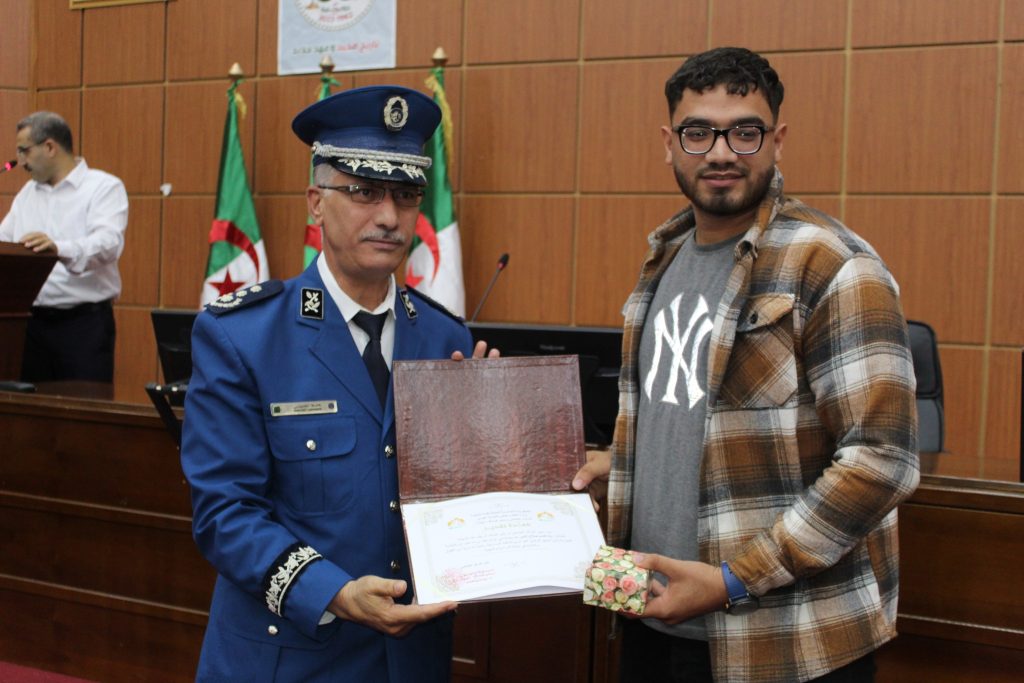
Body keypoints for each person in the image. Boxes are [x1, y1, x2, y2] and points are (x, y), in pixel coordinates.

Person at [573, 47, 919, 682]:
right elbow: (691, 421)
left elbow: (882, 462)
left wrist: (733, 579)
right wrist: (621, 467)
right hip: (647, 617)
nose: (721, 152)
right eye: (698, 132)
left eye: (745, 132)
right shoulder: (663, 259)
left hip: (785, 644)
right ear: (669, 144)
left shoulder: (834, 265)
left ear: (777, 140)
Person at [180, 85, 496, 682]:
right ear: (315, 204)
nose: (388, 216)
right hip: (290, 658)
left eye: (405, 196)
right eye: (363, 192)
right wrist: (334, 592)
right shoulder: (243, 336)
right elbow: (224, 512)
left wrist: (493, 436)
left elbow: (457, 507)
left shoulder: (445, 338)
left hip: (411, 660)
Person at [0, 111, 128, 382]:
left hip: (82, 326)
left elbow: (108, 244)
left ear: (50, 147)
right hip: (29, 324)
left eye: (24, 151)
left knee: (83, 404)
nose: (20, 162)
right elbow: (5, 242)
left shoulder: (103, 187)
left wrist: (58, 248)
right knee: (28, 405)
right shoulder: (27, 194)